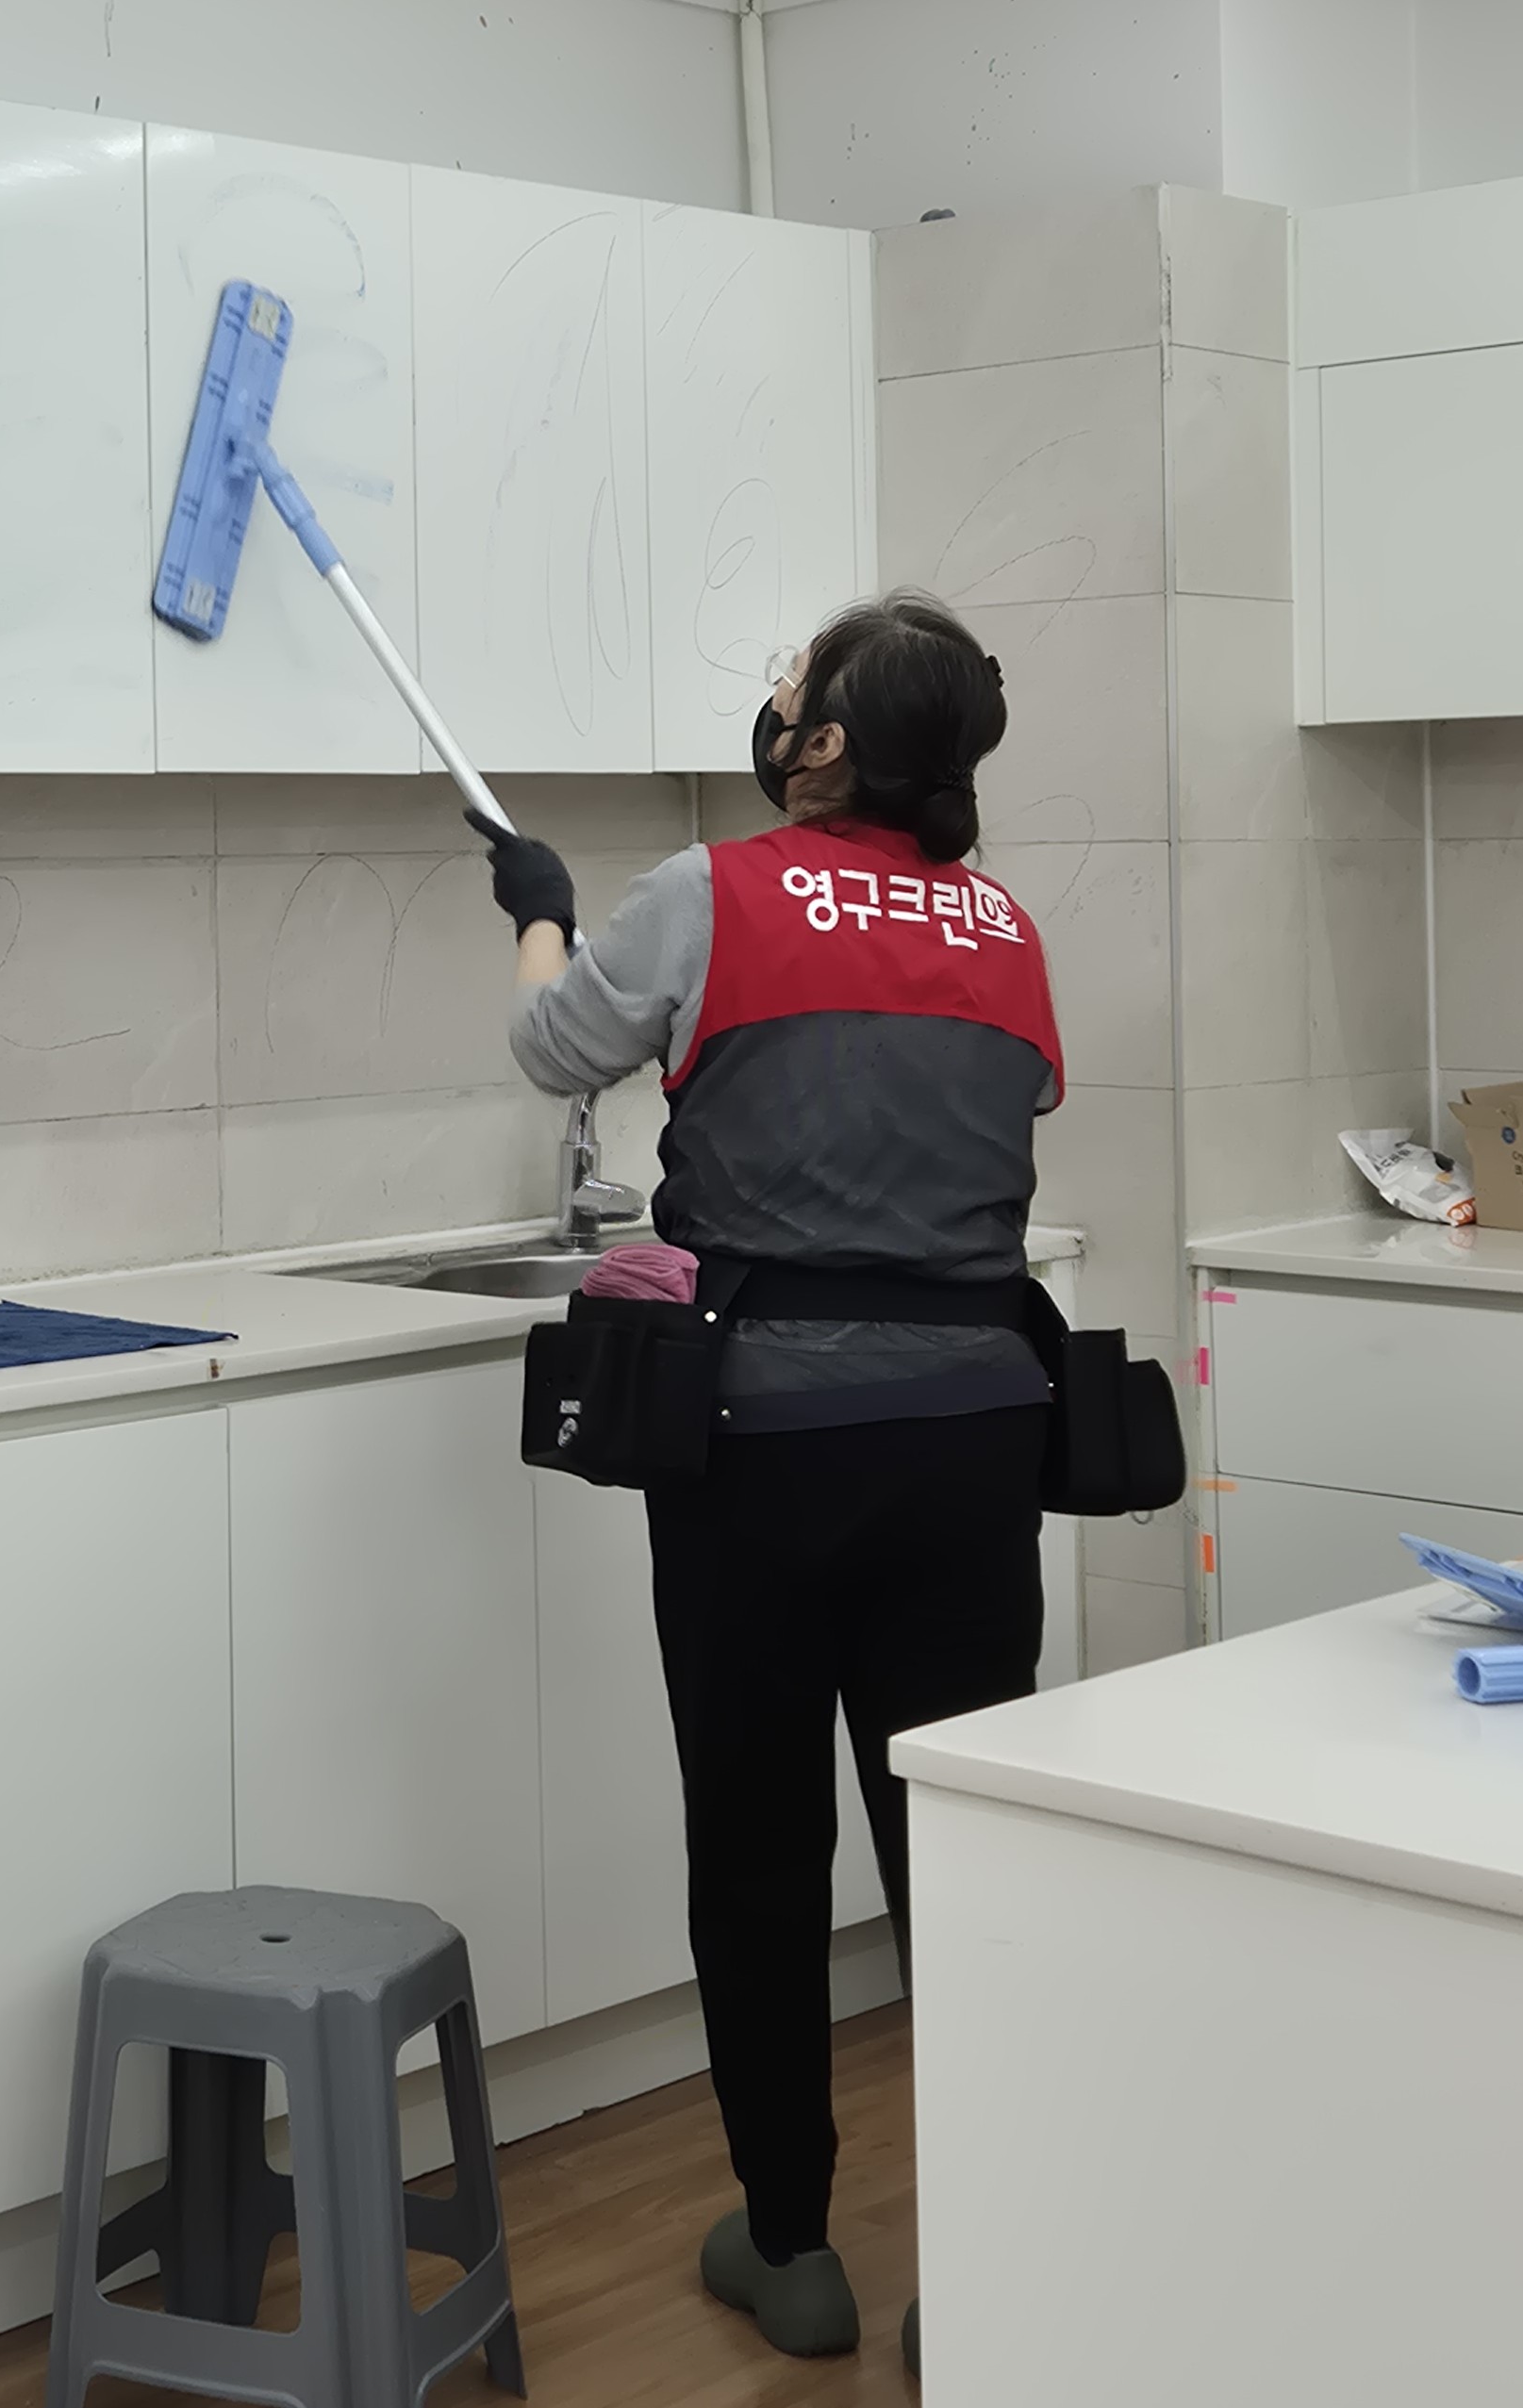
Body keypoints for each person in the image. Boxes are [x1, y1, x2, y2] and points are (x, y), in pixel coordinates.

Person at [472, 590, 1061, 2375]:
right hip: (977, 1436)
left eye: (791, 685)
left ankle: (791, 2246)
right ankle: (993, 2266)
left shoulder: (708, 890)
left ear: (825, 745)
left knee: (755, 1843)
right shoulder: (1004, 921)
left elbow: (554, 1048)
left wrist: (543, 916)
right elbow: (986, 1111)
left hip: (762, 1441)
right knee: (953, 1847)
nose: (771, 701)